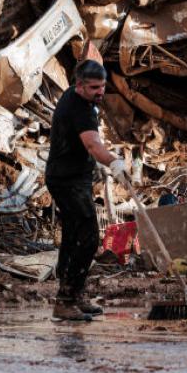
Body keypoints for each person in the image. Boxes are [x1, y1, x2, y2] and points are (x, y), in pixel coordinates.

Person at [45, 59, 128, 322]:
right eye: (94, 87)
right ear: (79, 85)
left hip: (70, 178)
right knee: (88, 237)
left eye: (103, 86)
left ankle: (73, 295)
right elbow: (92, 145)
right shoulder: (80, 109)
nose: (100, 92)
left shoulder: (76, 98)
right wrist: (113, 162)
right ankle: (66, 301)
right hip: (67, 181)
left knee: (72, 237)